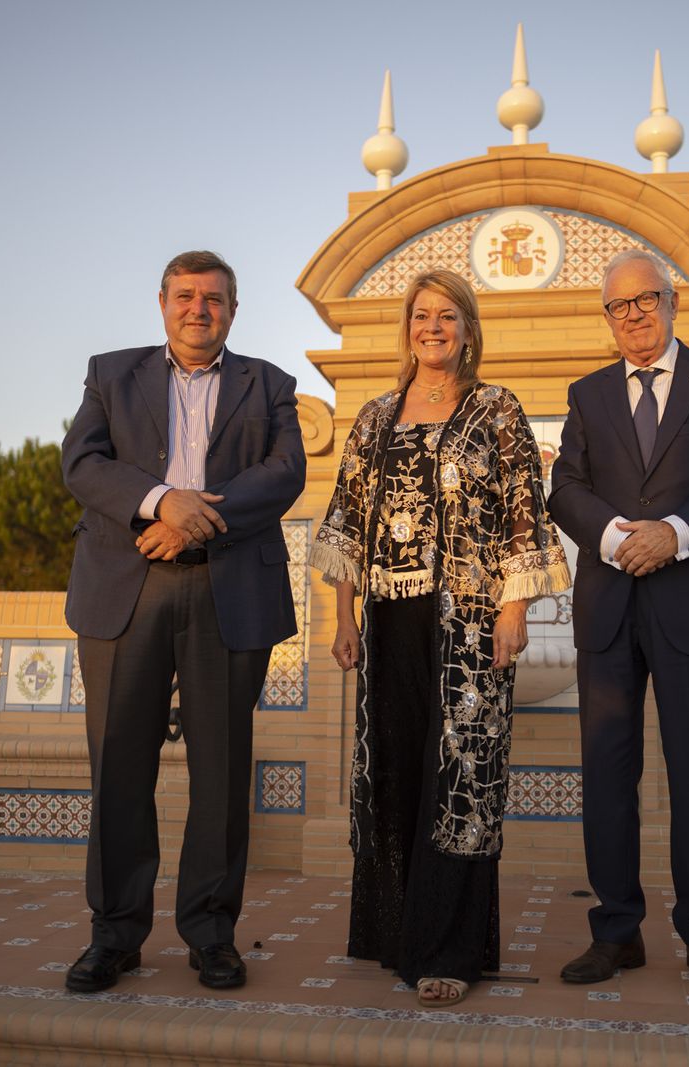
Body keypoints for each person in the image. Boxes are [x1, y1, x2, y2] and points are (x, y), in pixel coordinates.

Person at [311, 270, 570, 1007]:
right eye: (422, 315)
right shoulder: (372, 417)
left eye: (447, 315)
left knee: (462, 775)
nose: (433, 327)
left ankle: (451, 948)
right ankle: (396, 931)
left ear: (467, 327)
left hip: (469, 623)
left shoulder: (496, 409)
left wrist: (514, 611)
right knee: (393, 768)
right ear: (409, 327)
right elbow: (346, 519)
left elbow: (526, 510)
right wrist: (343, 615)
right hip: (390, 623)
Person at [59, 250, 306, 993]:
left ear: (234, 310)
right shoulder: (111, 374)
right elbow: (81, 463)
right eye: (187, 297)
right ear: (163, 302)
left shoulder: (270, 384)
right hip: (125, 592)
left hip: (226, 593)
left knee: (222, 774)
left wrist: (194, 521)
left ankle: (211, 933)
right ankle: (114, 934)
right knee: (118, 767)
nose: (200, 309)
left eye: (215, 299)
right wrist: (163, 499)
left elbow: (284, 472)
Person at [548, 249, 689, 995]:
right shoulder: (587, 394)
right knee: (608, 777)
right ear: (607, 317)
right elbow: (566, 488)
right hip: (610, 609)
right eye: (619, 305)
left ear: (673, 303)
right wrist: (616, 538)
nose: (635, 314)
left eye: (647, 299)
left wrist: (673, 531)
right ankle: (616, 932)